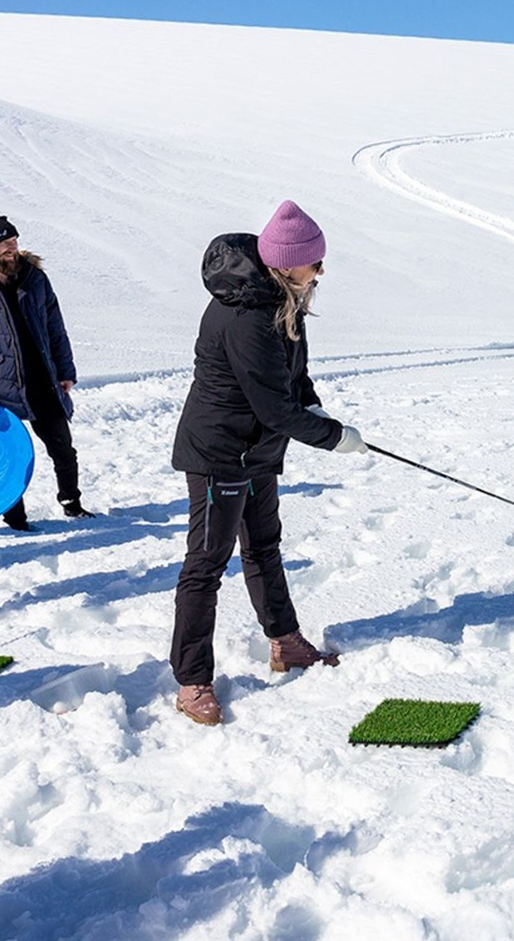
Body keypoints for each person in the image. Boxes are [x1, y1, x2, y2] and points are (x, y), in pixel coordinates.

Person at [169, 200, 367, 724]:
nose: (320, 272)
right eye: (314, 264)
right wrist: (332, 437)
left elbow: (293, 376)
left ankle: (285, 642)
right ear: (285, 261)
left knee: (264, 548)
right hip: (219, 453)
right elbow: (274, 406)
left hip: (255, 449)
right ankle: (192, 681)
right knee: (206, 567)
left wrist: (317, 406)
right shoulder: (246, 315)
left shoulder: (282, 297)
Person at [0, 213, 93, 531]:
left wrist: (65, 369)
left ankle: (72, 502)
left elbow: (55, 327)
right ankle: (16, 518)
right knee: (9, 456)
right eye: (4, 242)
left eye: (14, 240)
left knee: (63, 448)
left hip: (42, 379)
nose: (13, 247)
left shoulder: (34, 277)